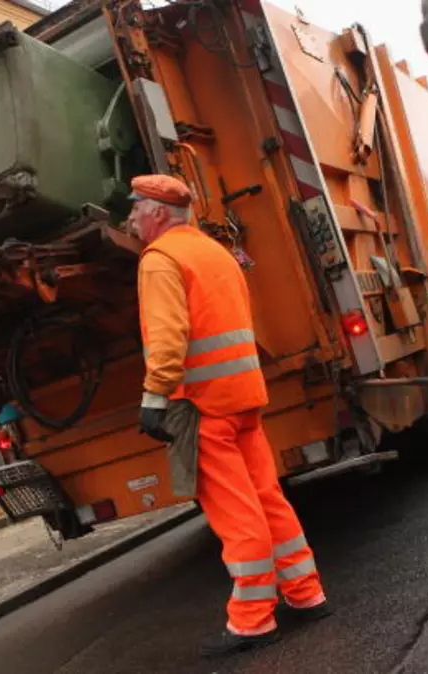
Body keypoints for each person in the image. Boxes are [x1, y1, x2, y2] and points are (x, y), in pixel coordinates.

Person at [127, 174, 331, 658]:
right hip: (243, 398)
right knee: (267, 499)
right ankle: (306, 593)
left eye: (135, 208)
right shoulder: (214, 252)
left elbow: (169, 337)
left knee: (236, 513)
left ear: (157, 212)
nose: (130, 218)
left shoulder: (159, 261)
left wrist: (154, 397)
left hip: (202, 406)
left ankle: (252, 620)